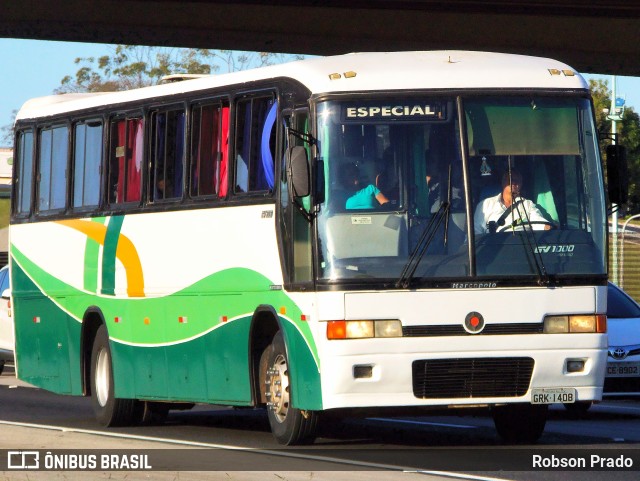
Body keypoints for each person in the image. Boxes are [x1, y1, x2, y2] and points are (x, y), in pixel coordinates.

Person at [474, 170, 551, 234]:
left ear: (521, 184)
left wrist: (548, 227)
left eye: (517, 181)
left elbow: (538, 222)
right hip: (495, 247)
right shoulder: (485, 204)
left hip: (523, 247)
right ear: (503, 182)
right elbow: (476, 232)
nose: (514, 183)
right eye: (510, 179)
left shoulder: (527, 204)